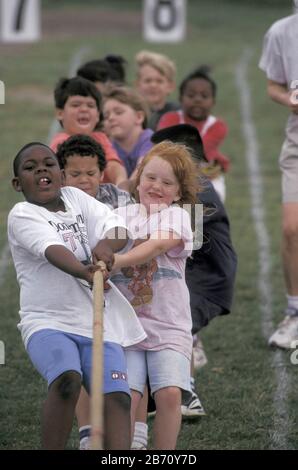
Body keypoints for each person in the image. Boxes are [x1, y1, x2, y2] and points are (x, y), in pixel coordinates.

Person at [7, 142, 146, 450]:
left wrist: (107, 247)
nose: (41, 169)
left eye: (48, 164)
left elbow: (118, 227)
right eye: (30, 168)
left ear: (61, 174)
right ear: (18, 184)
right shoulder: (23, 214)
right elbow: (52, 249)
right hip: (48, 323)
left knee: (119, 398)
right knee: (67, 379)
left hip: (98, 320)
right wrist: (84, 271)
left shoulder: (75, 198)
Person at [131, 124, 237, 449]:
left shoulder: (194, 193)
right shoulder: (185, 187)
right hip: (195, 272)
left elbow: (173, 244)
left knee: (176, 319)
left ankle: (185, 390)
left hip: (207, 277)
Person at [110, 141, 200, 450]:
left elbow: (158, 245)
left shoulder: (178, 216)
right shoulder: (119, 215)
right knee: (129, 395)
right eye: (150, 177)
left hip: (169, 325)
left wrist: (117, 260)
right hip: (127, 326)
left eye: (167, 182)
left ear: (178, 192)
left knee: (170, 393)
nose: (156, 186)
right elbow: (100, 244)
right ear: (138, 179)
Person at [56, 133, 135, 449]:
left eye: (91, 174)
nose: (84, 180)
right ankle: (88, 430)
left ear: (102, 172)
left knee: (116, 364)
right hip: (74, 294)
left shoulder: (117, 198)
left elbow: (129, 232)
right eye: (75, 174)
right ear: (62, 174)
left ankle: (130, 432)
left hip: (119, 291)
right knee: (82, 360)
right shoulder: (58, 204)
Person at [259, 4, 298, 349]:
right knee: (291, 228)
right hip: (297, 142)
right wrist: (291, 100)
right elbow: (273, 85)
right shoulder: (282, 31)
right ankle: (295, 313)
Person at [157, 66, 230, 203]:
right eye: (191, 95)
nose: (197, 100)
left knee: (204, 216)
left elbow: (198, 151)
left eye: (204, 96)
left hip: (207, 181)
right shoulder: (170, 119)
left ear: (213, 101)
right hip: (172, 177)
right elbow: (165, 148)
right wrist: (219, 158)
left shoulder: (218, 126)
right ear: (180, 98)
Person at [50, 76, 127, 187]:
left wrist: (121, 183)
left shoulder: (100, 137)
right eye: (76, 105)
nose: (84, 109)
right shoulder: (60, 143)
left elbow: (113, 165)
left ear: (97, 115)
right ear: (60, 113)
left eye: (90, 105)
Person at [103, 86, 154, 179]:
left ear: (139, 117)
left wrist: (124, 191)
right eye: (106, 116)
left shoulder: (149, 139)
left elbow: (141, 171)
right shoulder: (108, 146)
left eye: (118, 112)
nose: (111, 118)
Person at [134, 50, 180, 130]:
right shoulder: (130, 115)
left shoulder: (179, 115)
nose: (153, 85)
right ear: (137, 85)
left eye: (159, 81)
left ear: (171, 86)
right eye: (147, 80)